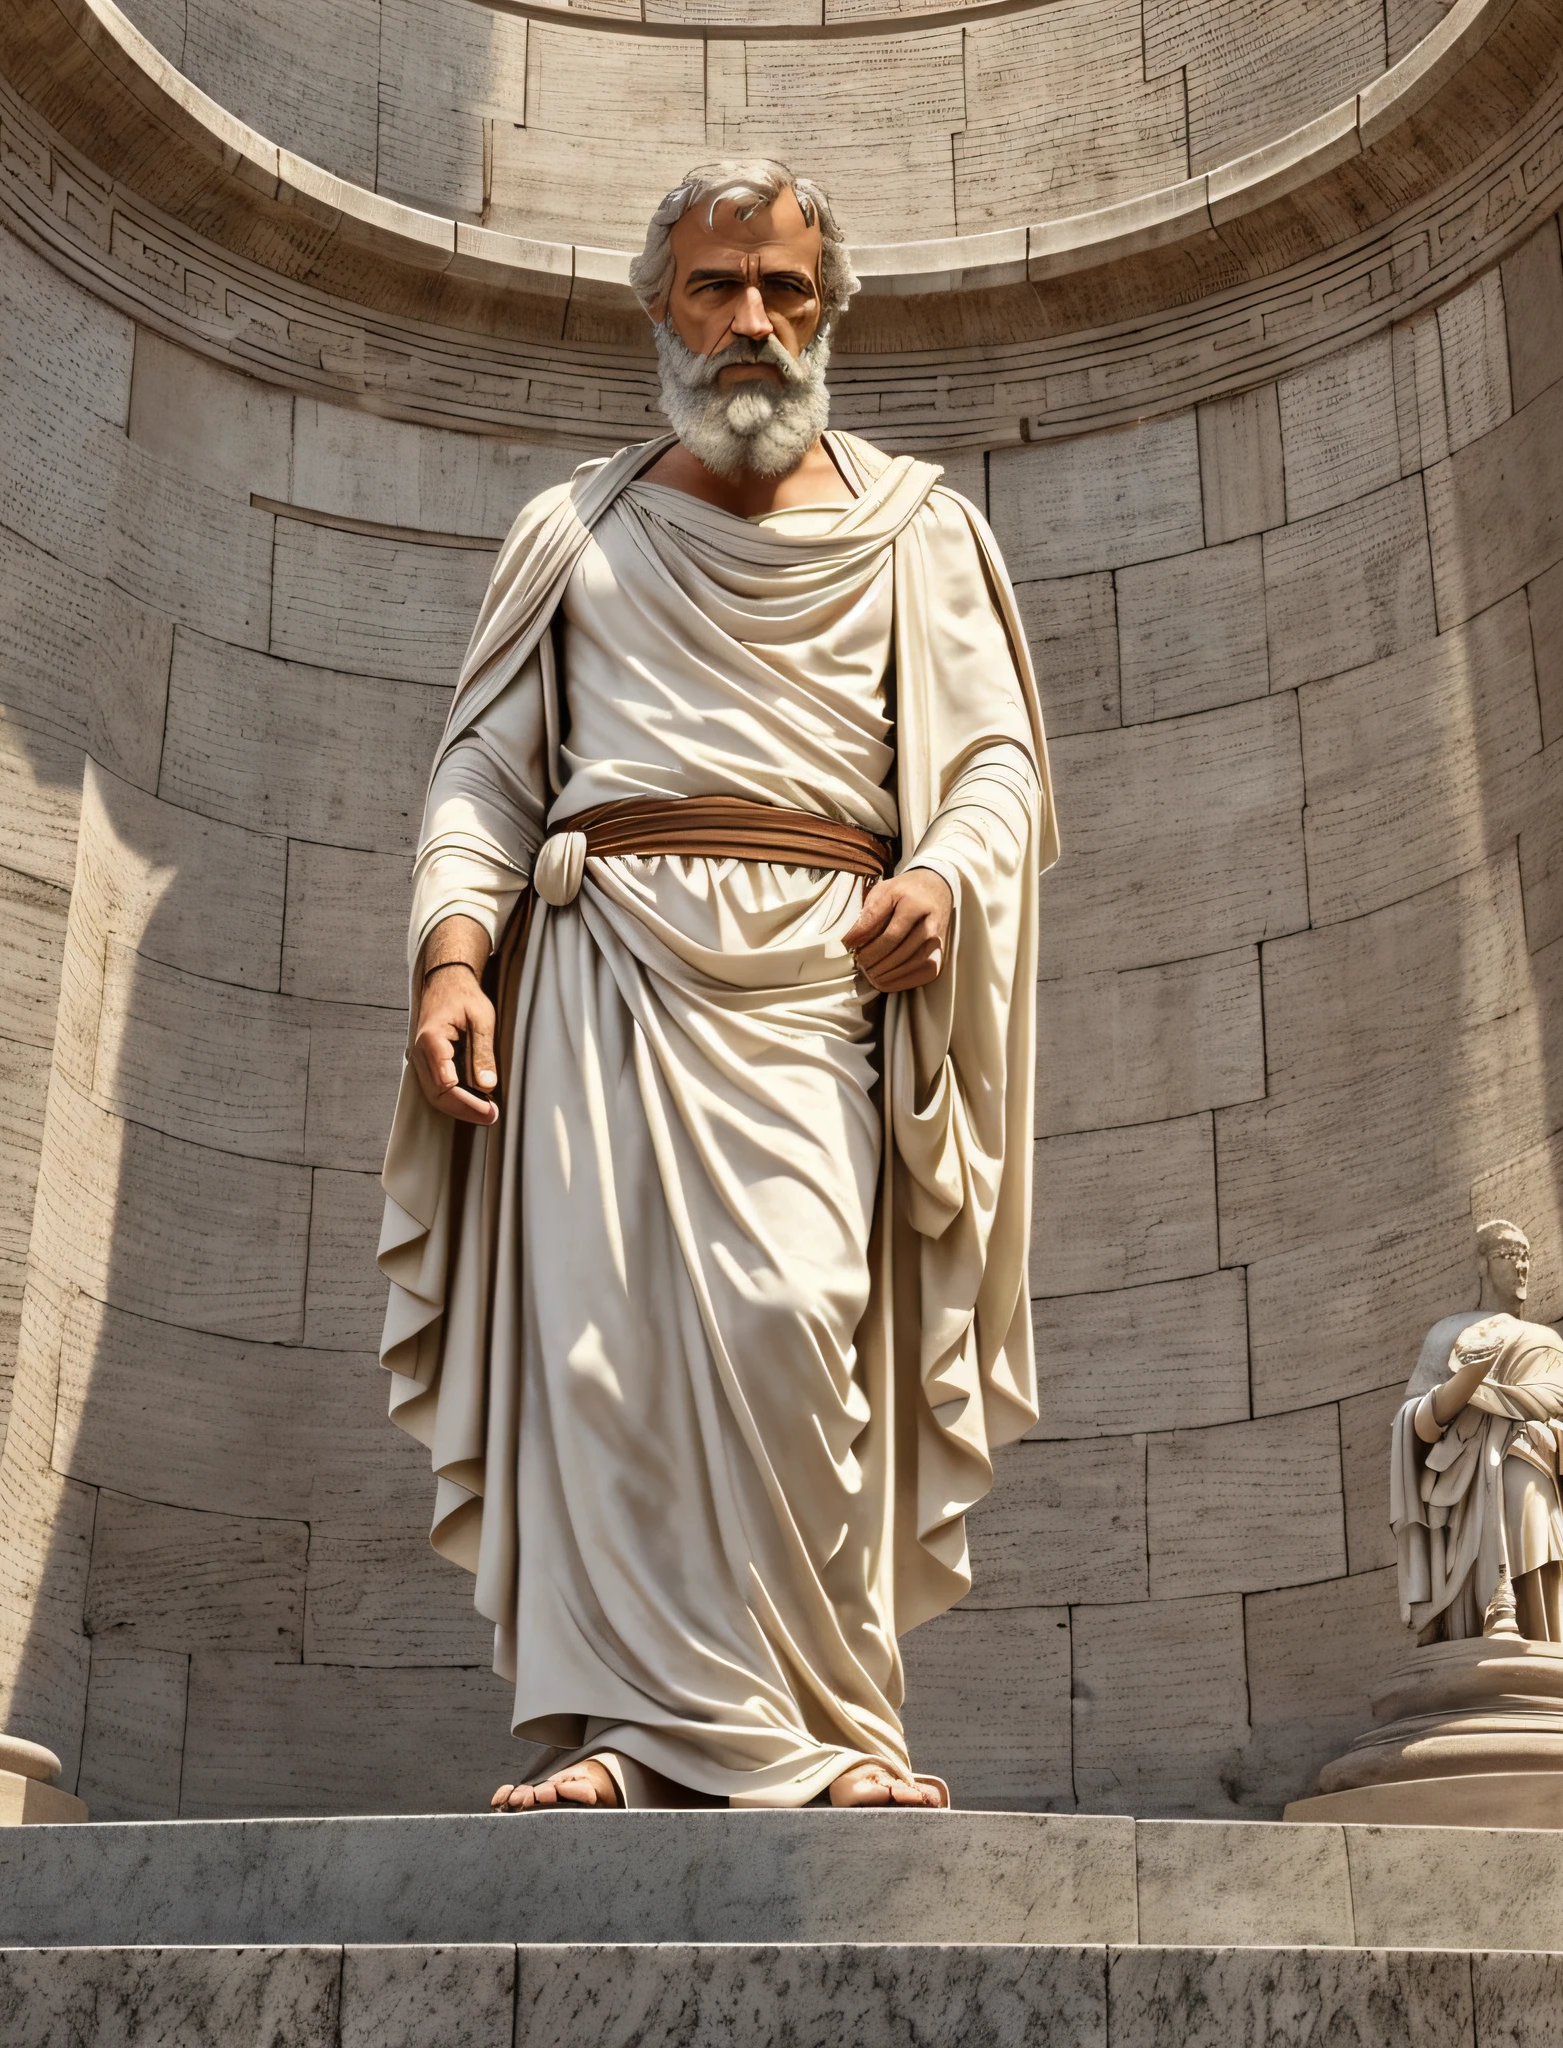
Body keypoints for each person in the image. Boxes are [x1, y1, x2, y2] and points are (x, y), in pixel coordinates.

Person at [375, 159, 1056, 1812]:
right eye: (715, 289)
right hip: (598, 971)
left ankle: (822, 1724)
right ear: (658, 308)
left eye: (783, 293)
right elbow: (484, 771)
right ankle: (622, 1731)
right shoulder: (575, 532)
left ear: (830, 315)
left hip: (816, 975)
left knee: (785, 1315)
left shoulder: (918, 531)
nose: (750, 322)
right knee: (600, 1366)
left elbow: (990, 771)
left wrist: (942, 880)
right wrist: (454, 958)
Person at [1392, 1221, 1563, 1647]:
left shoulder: (1547, 1340)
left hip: (1532, 1462)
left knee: (1524, 1494)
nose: (1520, 1267)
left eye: (1525, 1256)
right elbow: (1414, 1422)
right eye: (1509, 1256)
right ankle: (1489, 1615)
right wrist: (1468, 1381)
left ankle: (1546, 1647)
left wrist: (1514, 1407)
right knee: (1501, 1481)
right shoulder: (1450, 1332)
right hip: (1464, 1482)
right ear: (1483, 1264)